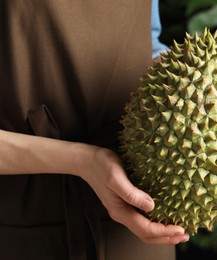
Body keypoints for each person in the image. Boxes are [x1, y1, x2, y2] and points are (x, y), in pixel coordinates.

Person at [0, 0, 189, 259]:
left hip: (139, 215)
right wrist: (83, 160)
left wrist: (209, 87)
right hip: (29, 219)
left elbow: (146, 43)